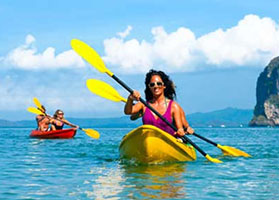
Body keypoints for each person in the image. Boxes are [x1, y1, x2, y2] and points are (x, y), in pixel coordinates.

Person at [124, 69, 194, 137]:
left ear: (164, 86)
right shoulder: (144, 105)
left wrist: (181, 131)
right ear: (149, 87)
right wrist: (130, 99)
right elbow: (128, 112)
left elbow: (180, 129)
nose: (156, 86)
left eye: (159, 84)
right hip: (149, 141)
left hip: (168, 142)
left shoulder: (174, 106)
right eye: (152, 84)